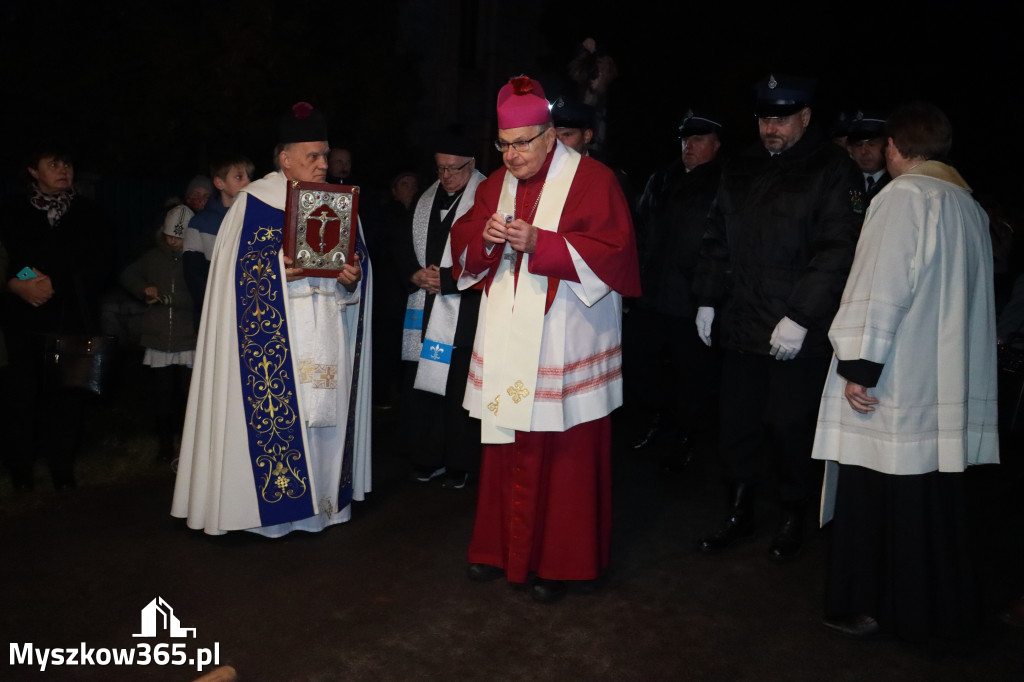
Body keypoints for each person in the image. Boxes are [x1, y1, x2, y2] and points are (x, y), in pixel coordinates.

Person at [811, 102, 999, 640]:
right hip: (941, 377)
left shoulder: (904, 198)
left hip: (896, 378)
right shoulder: (966, 204)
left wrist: (859, 364)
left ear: (894, 147)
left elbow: (880, 286)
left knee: (876, 495)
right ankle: (935, 611)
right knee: (930, 501)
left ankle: (868, 605)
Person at [450, 76, 641, 603]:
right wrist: (484, 240)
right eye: (504, 145)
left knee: (566, 451)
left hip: (565, 338)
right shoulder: (494, 185)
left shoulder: (594, 179)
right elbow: (463, 237)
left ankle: (561, 561)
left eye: (522, 143)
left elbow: (616, 253)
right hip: (510, 335)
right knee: (504, 440)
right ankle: (497, 549)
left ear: (551, 135)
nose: (511, 156)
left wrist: (545, 244)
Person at [172, 102, 372, 537]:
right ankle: (267, 519)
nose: (323, 164)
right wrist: (281, 271)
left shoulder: (339, 202)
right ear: (285, 159)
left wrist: (353, 278)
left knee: (324, 419)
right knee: (286, 417)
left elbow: (359, 267)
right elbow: (231, 275)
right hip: (276, 336)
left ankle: (319, 507)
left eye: (325, 154)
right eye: (312, 156)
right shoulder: (254, 204)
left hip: (329, 328)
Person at [692, 74, 863, 560]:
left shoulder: (832, 168)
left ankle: (793, 513)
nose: (772, 128)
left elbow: (837, 249)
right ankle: (738, 512)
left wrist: (802, 317)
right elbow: (716, 235)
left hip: (794, 333)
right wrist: (707, 298)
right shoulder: (740, 166)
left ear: (805, 117)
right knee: (737, 426)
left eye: (782, 119)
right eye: (765, 118)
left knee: (790, 427)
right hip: (744, 323)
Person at [0, 142, 108, 491]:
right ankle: (21, 473)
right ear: (33, 171)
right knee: (21, 397)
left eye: (67, 165)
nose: (64, 171)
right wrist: (25, 285)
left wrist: (54, 285)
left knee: (67, 397)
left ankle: (62, 469)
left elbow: (102, 264)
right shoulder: (11, 210)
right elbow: (9, 258)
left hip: (71, 316)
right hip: (23, 318)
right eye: (54, 164)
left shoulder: (90, 212)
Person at [627, 108, 724, 462]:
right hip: (651, 294)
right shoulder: (661, 179)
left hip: (691, 298)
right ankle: (660, 416)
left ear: (716, 145)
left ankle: (687, 433)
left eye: (699, 139)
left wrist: (710, 295)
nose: (690, 146)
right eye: (686, 139)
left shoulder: (723, 183)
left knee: (692, 372)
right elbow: (638, 232)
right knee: (640, 361)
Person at [401, 130, 486, 489]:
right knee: (425, 385)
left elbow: (489, 257)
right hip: (426, 305)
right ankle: (428, 456)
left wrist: (448, 280)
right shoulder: (424, 201)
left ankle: (460, 462)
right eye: (440, 169)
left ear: (473, 165)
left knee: (458, 388)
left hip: (464, 309)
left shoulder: (487, 198)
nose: (446, 176)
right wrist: (414, 273)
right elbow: (402, 245)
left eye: (454, 169)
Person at [120, 204, 197, 460]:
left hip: (188, 339)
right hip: (158, 338)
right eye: (171, 236)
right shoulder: (152, 258)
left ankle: (188, 448)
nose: (175, 242)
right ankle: (164, 446)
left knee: (188, 397)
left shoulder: (195, 260)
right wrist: (145, 289)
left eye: (180, 237)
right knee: (162, 396)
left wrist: (170, 299)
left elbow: (200, 296)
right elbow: (128, 275)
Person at [182, 154, 254, 331]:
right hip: (214, 317)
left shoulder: (256, 220)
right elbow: (194, 275)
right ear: (219, 183)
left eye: (249, 177)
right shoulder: (200, 223)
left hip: (250, 314)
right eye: (239, 177)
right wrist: (217, 309)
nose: (247, 182)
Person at [845, 110, 890, 205]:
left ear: (888, 145)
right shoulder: (843, 181)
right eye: (858, 144)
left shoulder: (896, 182)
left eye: (872, 144)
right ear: (850, 149)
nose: (864, 152)